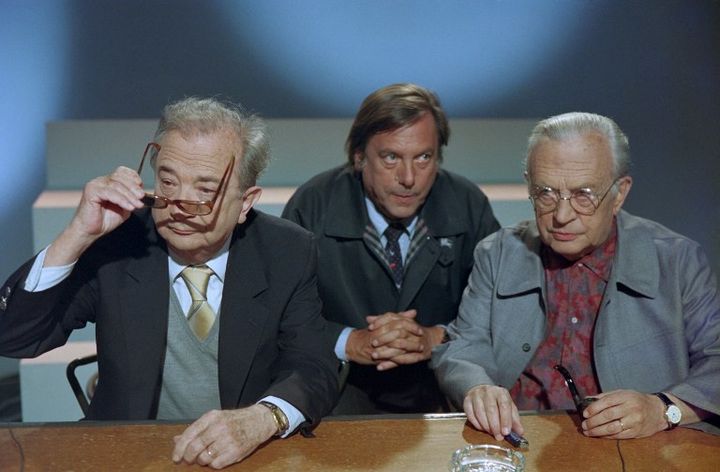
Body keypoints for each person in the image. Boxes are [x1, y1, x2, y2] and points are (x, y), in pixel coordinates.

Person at [0, 97, 339, 468]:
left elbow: (313, 366)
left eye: (204, 190)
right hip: (128, 452)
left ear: (245, 203)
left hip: (242, 456)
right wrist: (78, 234)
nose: (178, 203)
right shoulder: (120, 243)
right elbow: (15, 337)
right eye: (167, 181)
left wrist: (261, 419)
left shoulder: (287, 250)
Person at [432, 111, 720, 440]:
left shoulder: (677, 260)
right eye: (546, 193)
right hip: (517, 441)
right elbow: (462, 347)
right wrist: (478, 387)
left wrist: (663, 409)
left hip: (639, 449)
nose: (562, 215)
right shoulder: (496, 253)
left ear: (620, 193)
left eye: (583, 195)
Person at [282, 83, 500, 414]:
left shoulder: (468, 204)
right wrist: (350, 342)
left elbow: (498, 312)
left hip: (443, 393)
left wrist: (435, 338)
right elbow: (282, 316)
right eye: (391, 157)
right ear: (359, 157)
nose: (409, 177)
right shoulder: (312, 206)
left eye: (424, 157)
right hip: (337, 392)